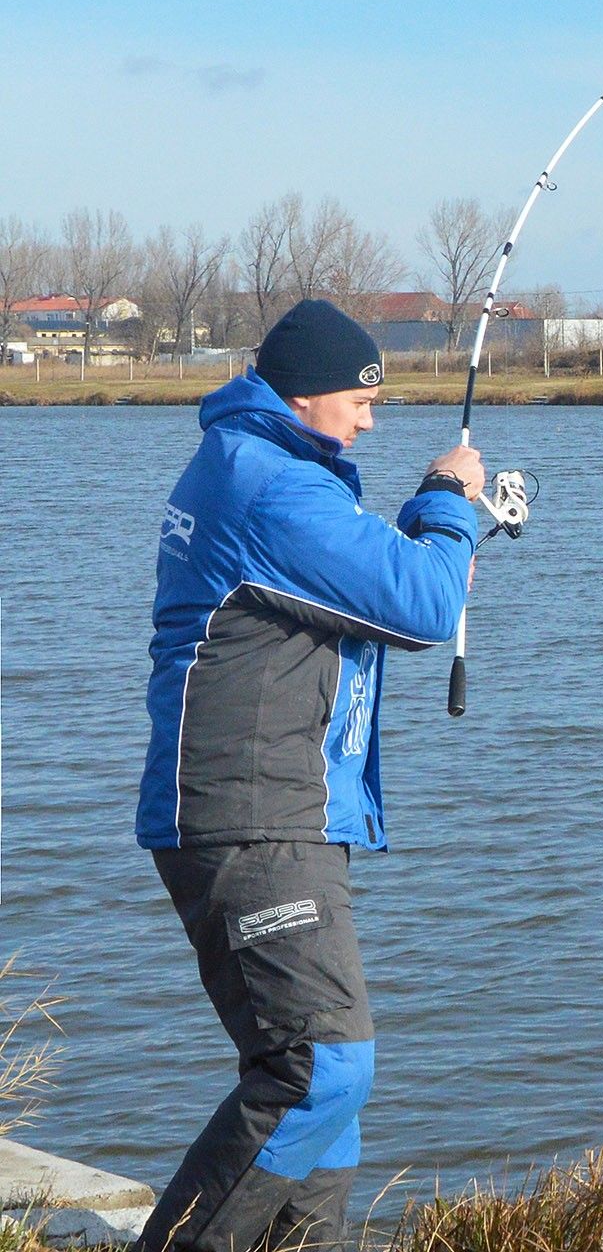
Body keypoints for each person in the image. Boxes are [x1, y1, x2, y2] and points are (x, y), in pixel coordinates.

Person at [135, 299, 485, 1252]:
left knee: (323, 1091)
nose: (371, 415)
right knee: (322, 1070)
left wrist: (432, 512)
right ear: (307, 394)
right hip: (249, 816)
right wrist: (453, 502)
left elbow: (366, 593)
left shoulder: (265, 470)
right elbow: (417, 604)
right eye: (362, 397)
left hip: (274, 810)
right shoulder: (269, 485)